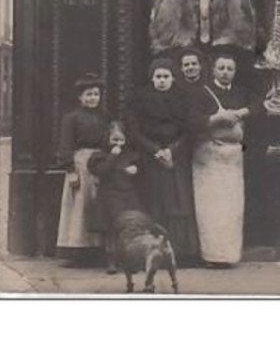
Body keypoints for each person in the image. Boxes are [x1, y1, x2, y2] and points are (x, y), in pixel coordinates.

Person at [128, 57, 200, 264]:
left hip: (176, 159)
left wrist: (171, 151)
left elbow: (189, 130)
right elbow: (134, 131)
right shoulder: (140, 99)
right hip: (150, 159)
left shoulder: (184, 99)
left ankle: (181, 253)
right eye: (158, 77)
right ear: (152, 79)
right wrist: (156, 151)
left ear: (173, 78)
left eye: (166, 77)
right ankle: (152, 253)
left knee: (178, 203)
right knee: (154, 202)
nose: (162, 81)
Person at [189, 53, 251, 267]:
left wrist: (244, 111)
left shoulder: (241, 93)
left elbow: (262, 105)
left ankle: (230, 255)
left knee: (231, 208)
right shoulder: (202, 94)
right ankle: (211, 256)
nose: (225, 73)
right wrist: (216, 118)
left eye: (229, 69)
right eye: (221, 68)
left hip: (232, 159)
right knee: (210, 208)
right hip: (209, 157)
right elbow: (191, 120)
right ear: (213, 70)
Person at [56, 73, 109, 265]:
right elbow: (65, 145)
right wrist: (70, 170)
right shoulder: (71, 118)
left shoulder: (105, 117)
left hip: (100, 163)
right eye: (88, 94)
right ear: (80, 97)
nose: (92, 98)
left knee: (96, 204)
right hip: (80, 164)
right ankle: (77, 250)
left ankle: (96, 248)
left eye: (96, 94)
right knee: (79, 205)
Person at [87, 121, 142, 273]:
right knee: (111, 229)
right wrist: (112, 156)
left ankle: (129, 260)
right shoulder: (99, 156)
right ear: (107, 139)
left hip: (128, 194)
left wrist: (135, 170)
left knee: (130, 227)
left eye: (121, 140)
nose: (118, 143)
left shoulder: (130, 155)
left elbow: (142, 174)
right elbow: (100, 171)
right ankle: (111, 260)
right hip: (109, 196)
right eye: (114, 140)